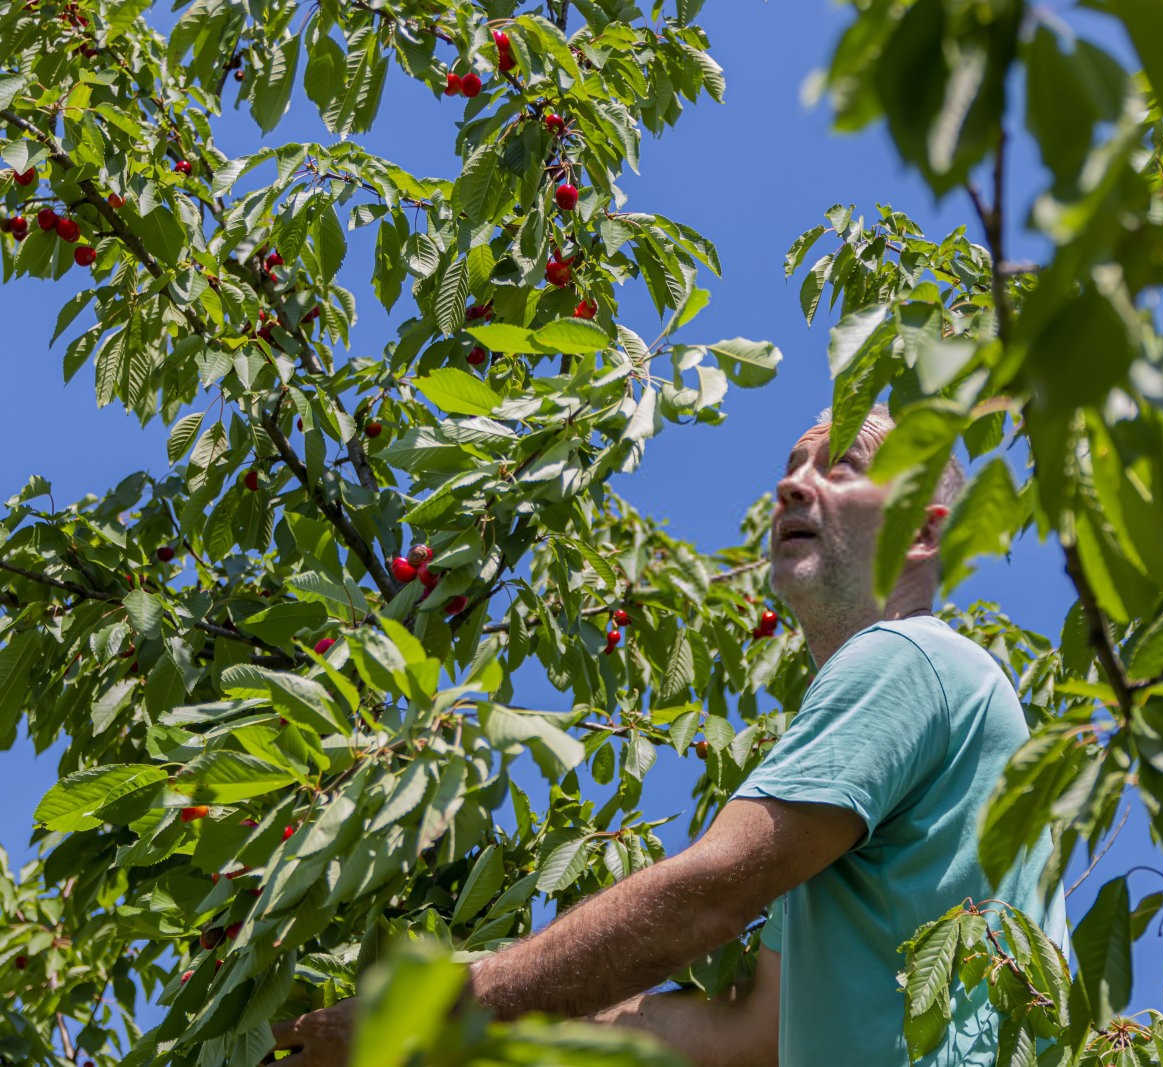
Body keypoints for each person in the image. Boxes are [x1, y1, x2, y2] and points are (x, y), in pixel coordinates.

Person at [270, 404, 1065, 1066]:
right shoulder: (899, 735)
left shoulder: (909, 659)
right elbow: (753, 1033)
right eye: (791, 464)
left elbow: (707, 897)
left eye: (840, 464)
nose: (792, 483)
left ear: (923, 533)